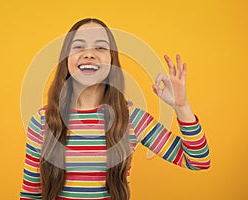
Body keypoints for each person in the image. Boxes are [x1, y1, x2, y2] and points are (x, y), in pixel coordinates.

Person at [19, 18, 211, 200]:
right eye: (78, 46)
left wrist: (182, 106)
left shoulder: (132, 119)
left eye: (100, 47)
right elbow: (30, 194)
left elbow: (198, 161)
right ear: (66, 59)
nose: (89, 53)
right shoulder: (43, 121)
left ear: (112, 60)